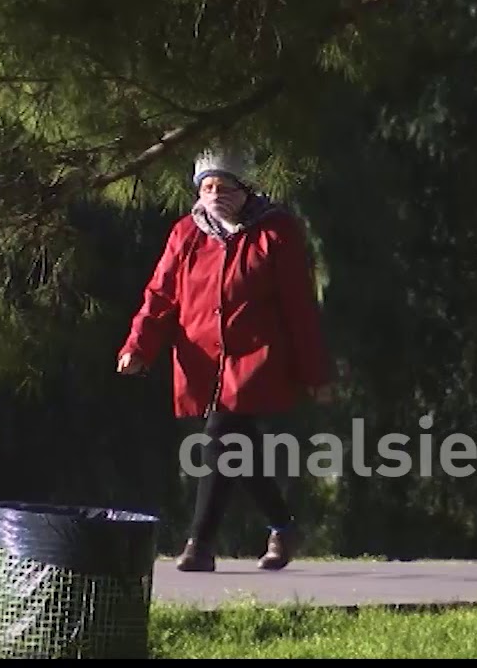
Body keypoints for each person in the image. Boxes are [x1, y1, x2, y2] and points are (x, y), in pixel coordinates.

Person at [116, 145, 333, 572]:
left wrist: (315, 373)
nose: (216, 195)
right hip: (201, 359)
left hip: (255, 358)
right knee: (238, 449)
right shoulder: (186, 233)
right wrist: (137, 347)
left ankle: (200, 544)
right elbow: (160, 296)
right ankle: (282, 526)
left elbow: (298, 308)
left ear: (246, 190)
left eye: (225, 187)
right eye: (207, 187)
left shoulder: (277, 232)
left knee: (221, 434)